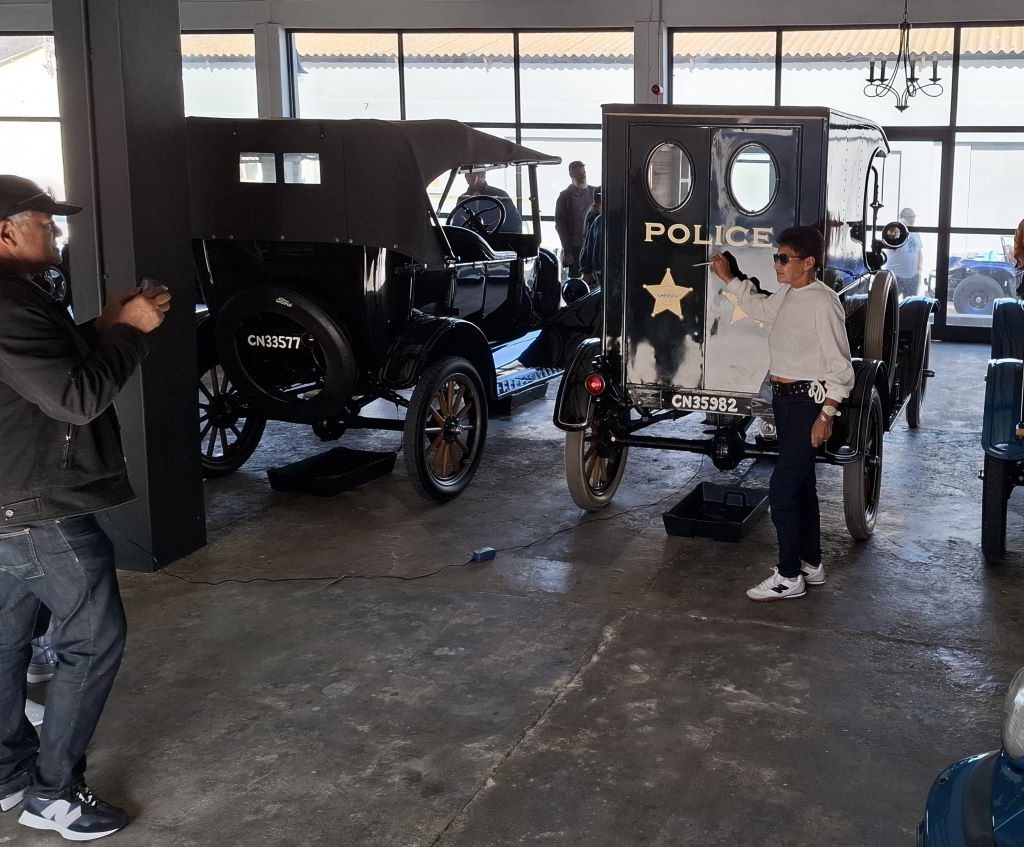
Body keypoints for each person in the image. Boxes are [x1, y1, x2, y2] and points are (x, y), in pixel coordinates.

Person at [0, 174, 170, 840]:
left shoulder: (17, 297)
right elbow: (75, 398)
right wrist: (127, 334)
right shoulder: (9, 301)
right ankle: (54, 794)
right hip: (39, 502)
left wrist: (102, 324)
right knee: (93, 636)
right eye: (45, 221)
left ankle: (9, 773)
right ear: (5, 230)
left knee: (8, 638)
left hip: (13, 498)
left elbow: (40, 367)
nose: (58, 232)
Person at [710, 226, 854, 602]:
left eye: (783, 259)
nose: (776, 265)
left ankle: (789, 577)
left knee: (782, 490)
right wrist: (731, 278)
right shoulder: (791, 292)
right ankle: (811, 563)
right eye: (776, 258)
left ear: (809, 262)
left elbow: (842, 368)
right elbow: (759, 308)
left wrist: (826, 416)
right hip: (785, 400)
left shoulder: (823, 303)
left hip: (808, 404)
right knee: (801, 485)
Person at [554, 160, 597, 278]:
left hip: (594, 246)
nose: (582, 176)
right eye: (578, 173)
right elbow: (560, 225)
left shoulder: (596, 193)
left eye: (583, 172)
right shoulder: (564, 197)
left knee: (596, 281)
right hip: (576, 248)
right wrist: (567, 251)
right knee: (577, 283)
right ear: (571, 175)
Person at [454, 171, 523, 234]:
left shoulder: (500, 195)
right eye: (468, 174)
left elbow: (515, 222)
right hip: (471, 241)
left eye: (476, 173)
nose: (471, 177)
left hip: (496, 241)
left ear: (484, 175)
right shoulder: (462, 198)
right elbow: (456, 223)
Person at [885, 207, 924, 298]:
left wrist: (919, 269)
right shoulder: (896, 230)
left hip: (913, 276)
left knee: (910, 306)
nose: (913, 219)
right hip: (896, 275)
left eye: (914, 216)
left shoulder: (915, 232)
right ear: (902, 217)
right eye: (910, 216)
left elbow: (919, 251)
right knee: (890, 305)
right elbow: (889, 242)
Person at [579, 188, 603, 284]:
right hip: (596, 269)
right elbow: (592, 243)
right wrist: (588, 270)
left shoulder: (596, 213)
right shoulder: (597, 216)